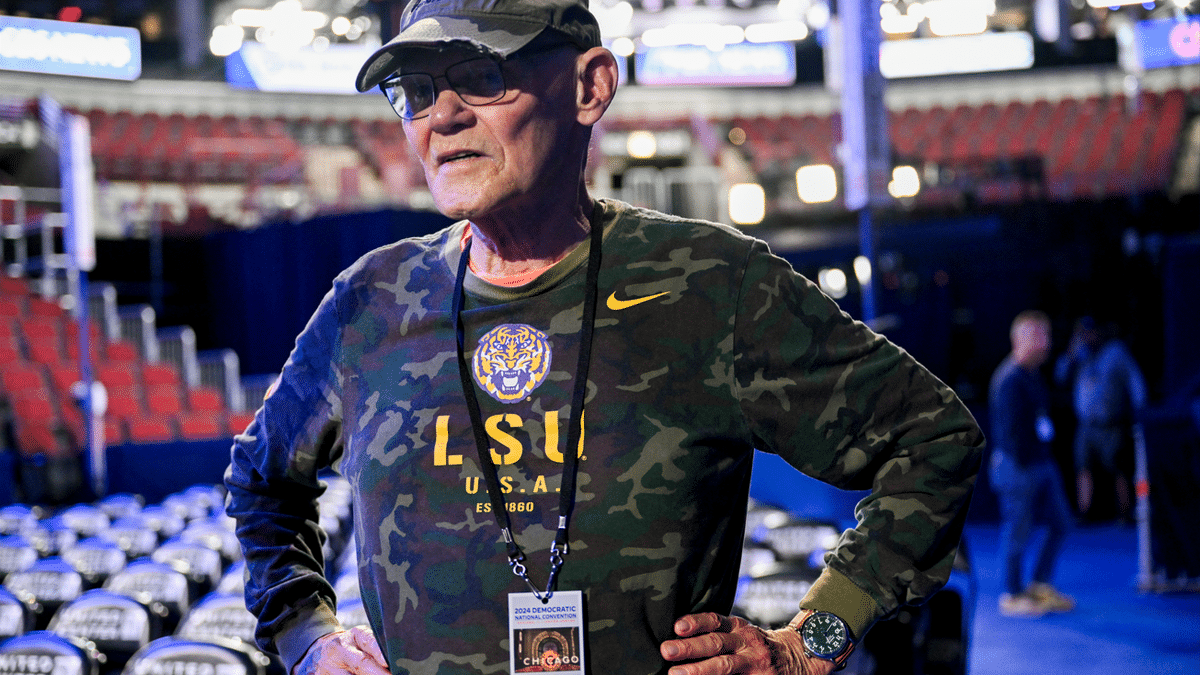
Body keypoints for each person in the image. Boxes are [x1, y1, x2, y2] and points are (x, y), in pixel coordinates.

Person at [224, 2, 984, 674]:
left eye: (480, 75)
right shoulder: (369, 301)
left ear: (590, 86)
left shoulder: (710, 285)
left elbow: (933, 440)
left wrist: (811, 639)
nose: (441, 116)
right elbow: (261, 480)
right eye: (415, 92)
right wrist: (305, 632)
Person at [988, 310, 1075, 617]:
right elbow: (1012, 434)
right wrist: (1030, 464)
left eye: (1047, 335)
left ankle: (1039, 584)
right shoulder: (1009, 379)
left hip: (1041, 464)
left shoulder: (1033, 374)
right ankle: (1012, 594)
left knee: (1061, 523)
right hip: (1018, 468)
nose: (1046, 342)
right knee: (1016, 531)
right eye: (1039, 335)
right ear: (1020, 339)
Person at [1054, 317, 1147, 520]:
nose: (1088, 336)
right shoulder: (1080, 353)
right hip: (1086, 424)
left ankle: (1124, 512)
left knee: (1119, 469)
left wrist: (1141, 409)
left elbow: (1135, 380)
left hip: (1111, 422)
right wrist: (1072, 352)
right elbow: (1060, 376)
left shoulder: (1115, 352)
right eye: (1083, 333)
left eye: (1090, 332)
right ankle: (1085, 512)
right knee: (1082, 467)